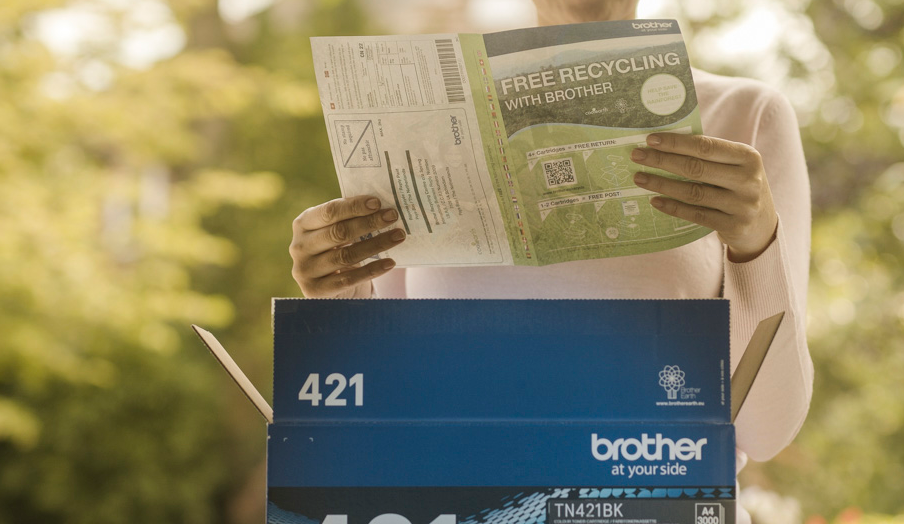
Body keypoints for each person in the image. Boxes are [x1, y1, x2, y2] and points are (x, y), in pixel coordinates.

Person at [288, 0, 812, 520]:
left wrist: (756, 246)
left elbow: (767, 429)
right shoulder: (422, 127)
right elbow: (384, 417)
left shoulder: (746, 117)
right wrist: (342, 296)